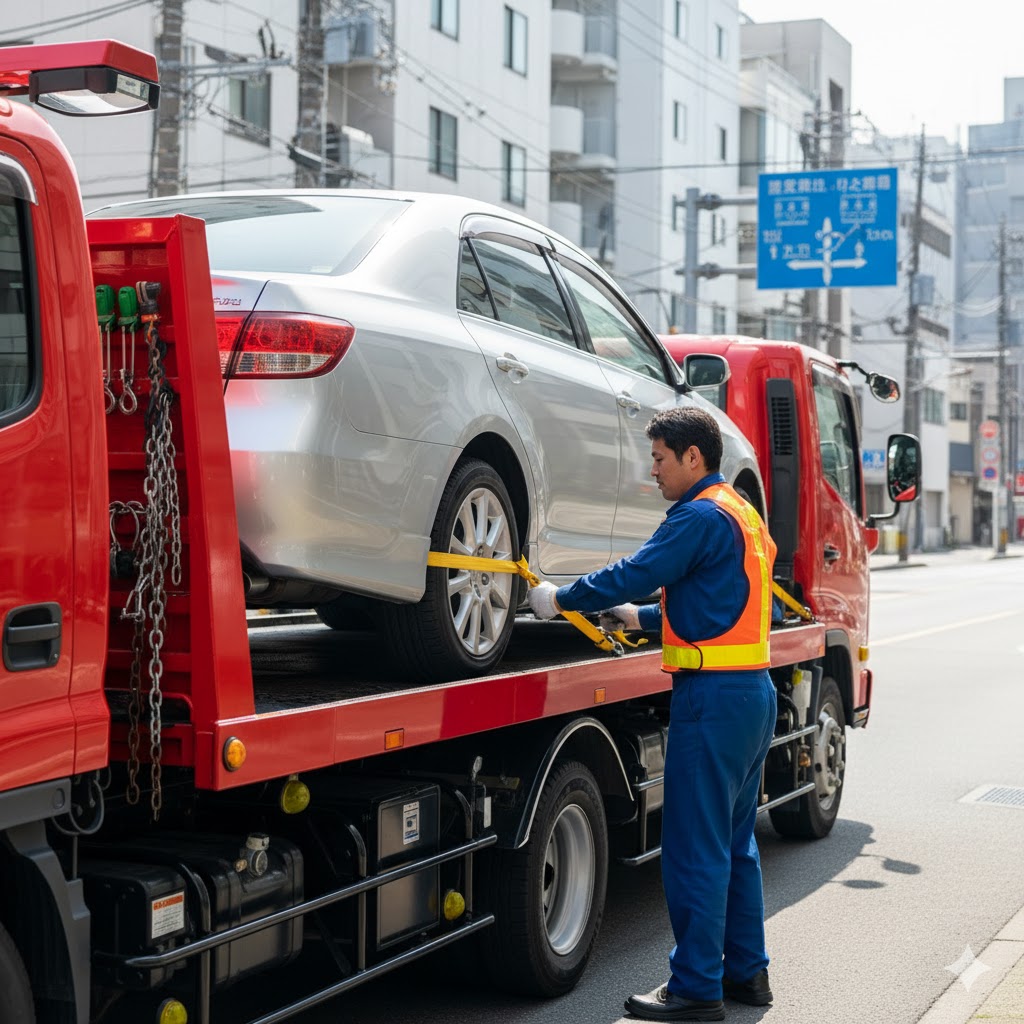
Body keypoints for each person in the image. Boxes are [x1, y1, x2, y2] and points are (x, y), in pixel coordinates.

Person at [528, 406, 778, 1023]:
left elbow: (634, 572)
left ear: (693, 456)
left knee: (695, 848)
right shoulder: (740, 513)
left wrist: (560, 599)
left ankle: (695, 988)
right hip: (753, 693)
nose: (654, 472)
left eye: (660, 459)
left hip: (712, 701)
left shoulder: (694, 516)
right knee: (735, 843)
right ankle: (747, 973)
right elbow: (719, 604)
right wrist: (640, 619)